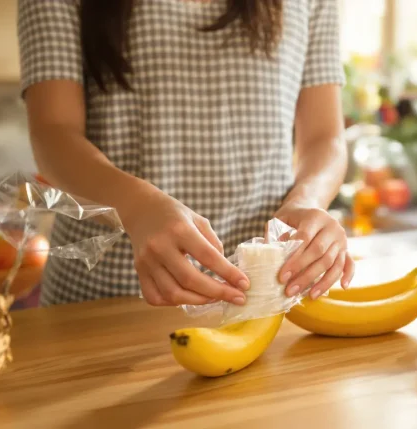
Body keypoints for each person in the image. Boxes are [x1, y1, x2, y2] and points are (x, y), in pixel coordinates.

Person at [18, 0, 354, 307]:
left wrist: (308, 201)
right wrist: (136, 206)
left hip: (262, 294)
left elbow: (325, 137)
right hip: (103, 299)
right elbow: (52, 133)